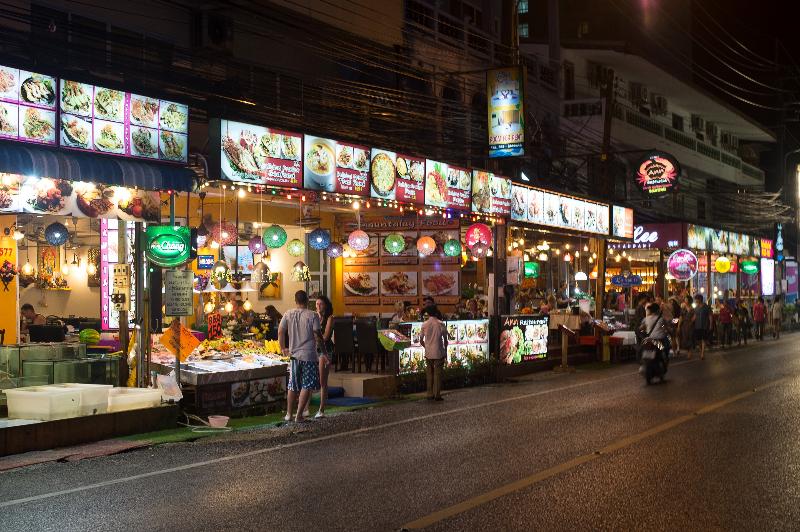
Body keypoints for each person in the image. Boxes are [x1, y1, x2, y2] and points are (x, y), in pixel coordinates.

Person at [279, 290, 321, 422]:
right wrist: (323, 351)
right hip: (309, 355)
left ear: (295, 301)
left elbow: (281, 331)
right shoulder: (313, 315)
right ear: (307, 301)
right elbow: (317, 334)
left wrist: (283, 348)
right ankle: (299, 415)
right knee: (306, 385)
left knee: (292, 385)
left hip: (294, 356)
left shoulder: (288, 314)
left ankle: (288, 414)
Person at [420, 305, 447, 401]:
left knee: (429, 374)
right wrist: (445, 350)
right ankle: (437, 395)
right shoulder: (440, 324)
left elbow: (421, 340)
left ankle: (429, 394)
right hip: (439, 352)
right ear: (436, 312)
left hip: (428, 353)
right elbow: (445, 339)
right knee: (437, 374)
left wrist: (426, 347)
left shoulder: (424, 324)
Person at [315, 295, 334, 419]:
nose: (318, 306)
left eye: (320, 304)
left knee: (323, 380)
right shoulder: (315, 317)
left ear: (325, 305)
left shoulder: (330, 318)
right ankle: (306, 408)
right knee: (313, 379)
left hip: (325, 350)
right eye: (316, 304)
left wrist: (315, 335)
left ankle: (321, 408)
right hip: (313, 350)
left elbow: (326, 336)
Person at [688, 294, 711, 360]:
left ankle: (702, 353)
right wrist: (691, 322)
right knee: (698, 340)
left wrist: (710, 325)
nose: (695, 301)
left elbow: (710, 316)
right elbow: (695, 316)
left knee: (703, 339)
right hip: (697, 326)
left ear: (700, 299)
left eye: (696, 299)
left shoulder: (706, 307)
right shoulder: (696, 308)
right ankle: (701, 351)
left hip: (704, 325)